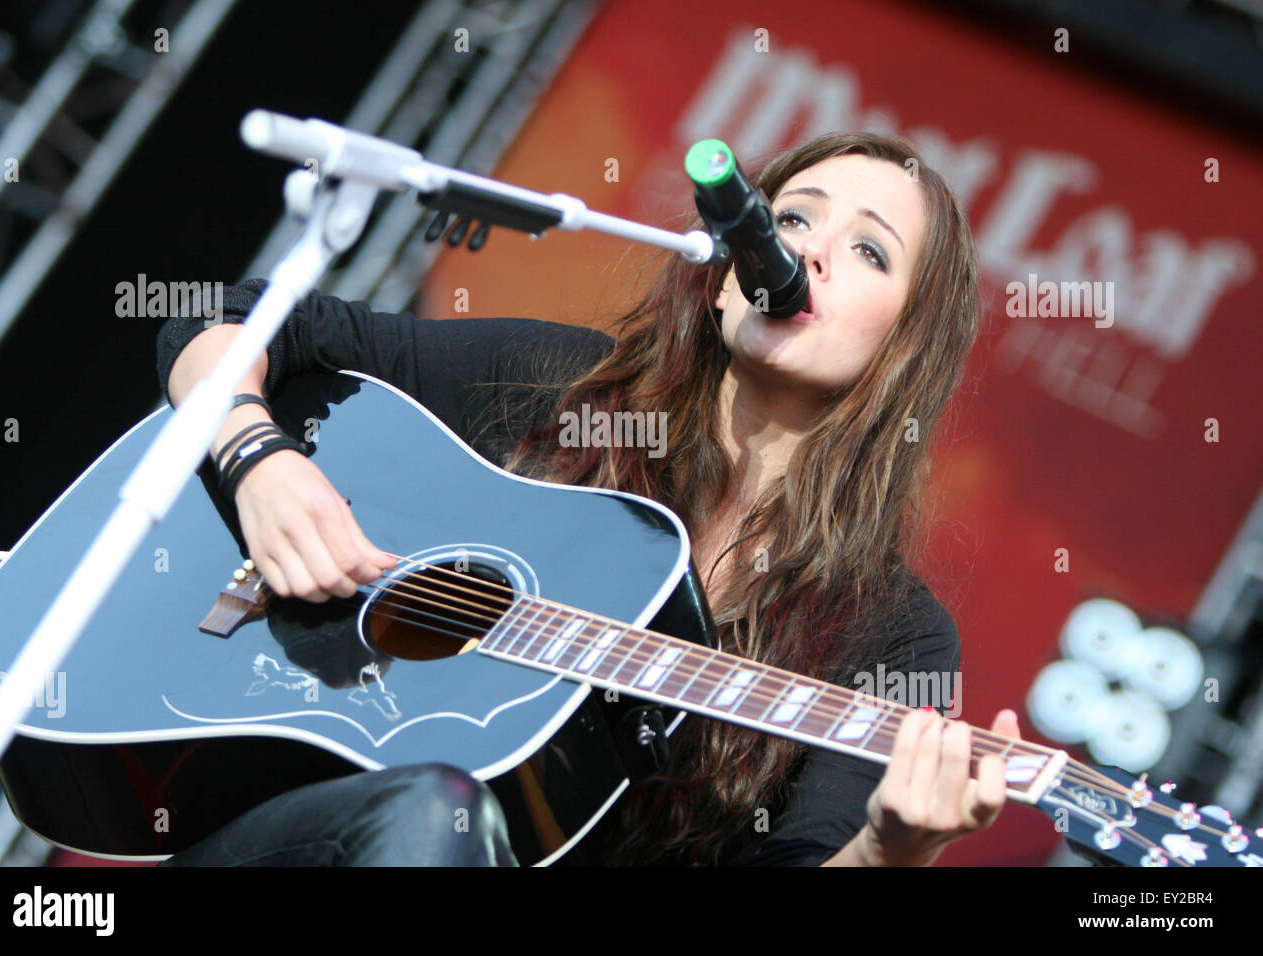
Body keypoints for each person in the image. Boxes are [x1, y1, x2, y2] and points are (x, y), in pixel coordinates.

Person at [157, 131, 1021, 867]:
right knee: (431, 811)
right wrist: (260, 460)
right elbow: (218, 318)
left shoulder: (891, 631)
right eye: (790, 218)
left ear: (905, 349)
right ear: (725, 272)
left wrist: (884, 853)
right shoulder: (564, 391)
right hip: (304, 830)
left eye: (869, 250)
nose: (805, 252)